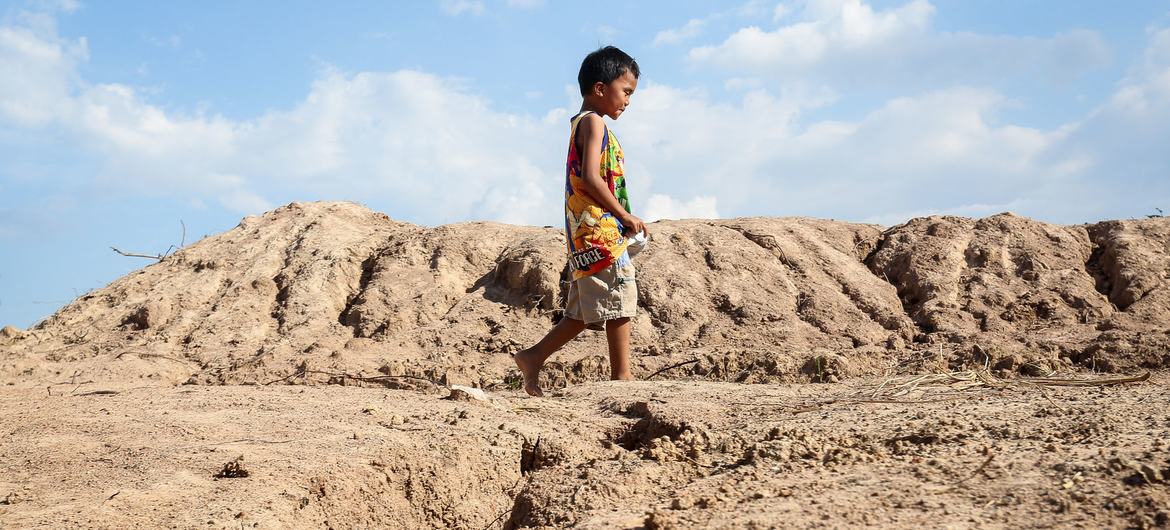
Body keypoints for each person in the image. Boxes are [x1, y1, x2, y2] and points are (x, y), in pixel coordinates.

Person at [513, 46, 649, 397]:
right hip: (599, 230)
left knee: (580, 311)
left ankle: (533, 357)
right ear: (600, 88)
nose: (628, 101)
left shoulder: (583, 123)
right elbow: (590, 177)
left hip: (585, 232)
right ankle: (622, 376)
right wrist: (624, 215)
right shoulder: (593, 122)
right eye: (626, 91)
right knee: (620, 294)